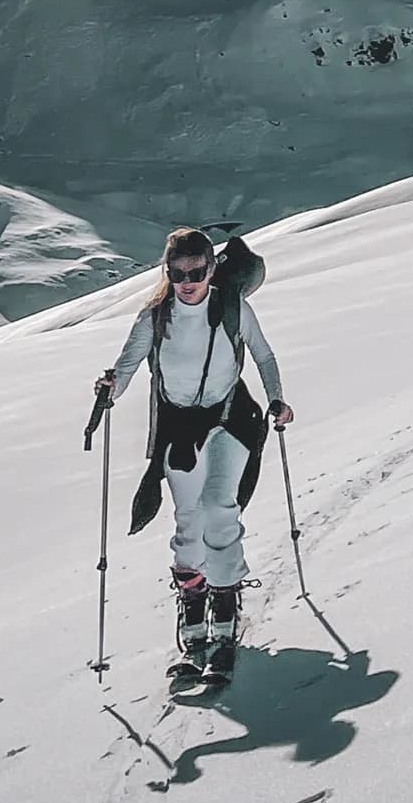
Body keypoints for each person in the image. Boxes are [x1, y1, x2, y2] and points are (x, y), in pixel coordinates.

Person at [97, 227, 294, 684]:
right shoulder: (154, 317)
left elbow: (263, 356)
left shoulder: (231, 308)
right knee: (188, 521)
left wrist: (277, 399)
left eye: (197, 271)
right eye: (178, 272)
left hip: (231, 418)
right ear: (167, 272)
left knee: (217, 508)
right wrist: (111, 389)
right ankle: (194, 626)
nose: (188, 281)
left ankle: (224, 622)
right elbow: (126, 367)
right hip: (180, 427)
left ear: (211, 269)